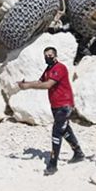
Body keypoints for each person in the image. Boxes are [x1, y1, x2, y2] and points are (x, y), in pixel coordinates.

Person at [17, 47, 84, 175]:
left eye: (50, 55)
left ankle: (53, 164)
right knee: (64, 130)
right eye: (46, 55)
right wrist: (25, 84)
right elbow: (40, 81)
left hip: (65, 105)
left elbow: (48, 84)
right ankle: (78, 153)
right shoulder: (48, 69)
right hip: (56, 105)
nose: (48, 57)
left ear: (55, 55)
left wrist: (28, 86)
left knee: (56, 132)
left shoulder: (60, 68)